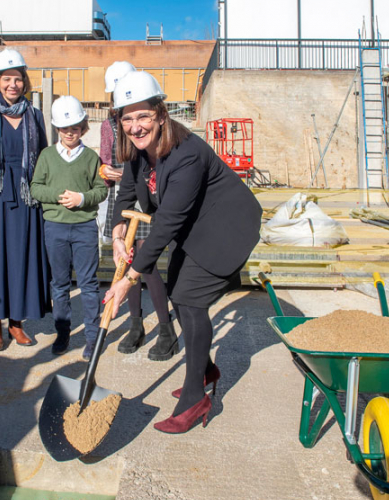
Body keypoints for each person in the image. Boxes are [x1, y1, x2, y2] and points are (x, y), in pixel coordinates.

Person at [103, 72, 262, 434]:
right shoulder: (137, 151)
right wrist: (115, 231)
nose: (135, 126)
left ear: (161, 114)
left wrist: (128, 280)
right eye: (127, 117)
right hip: (194, 227)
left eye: (143, 115)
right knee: (177, 290)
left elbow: (167, 224)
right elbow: (126, 191)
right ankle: (203, 368)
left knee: (190, 297)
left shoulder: (187, 154)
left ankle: (195, 398)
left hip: (225, 228)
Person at [0, 49, 51, 351]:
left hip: (27, 197)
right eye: (7, 79)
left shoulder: (36, 116)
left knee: (22, 257)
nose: (12, 85)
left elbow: (44, 159)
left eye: (17, 79)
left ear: (24, 82)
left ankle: (17, 322)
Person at [100, 61, 176, 361]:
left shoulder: (145, 123)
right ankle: (135, 325)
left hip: (146, 196)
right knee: (125, 261)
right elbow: (105, 160)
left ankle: (166, 329)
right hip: (123, 197)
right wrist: (105, 169)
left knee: (147, 264)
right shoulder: (111, 124)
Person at [31, 96, 107, 358]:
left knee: (88, 284)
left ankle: (92, 338)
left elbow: (101, 190)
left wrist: (82, 199)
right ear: (57, 129)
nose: (70, 133)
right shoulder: (47, 156)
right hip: (55, 228)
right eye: (65, 128)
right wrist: (60, 195)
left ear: (83, 127)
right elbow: (35, 188)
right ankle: (62, 333)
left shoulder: (91, 158)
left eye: (75, 127)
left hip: (84, 227)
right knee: (60, 283)